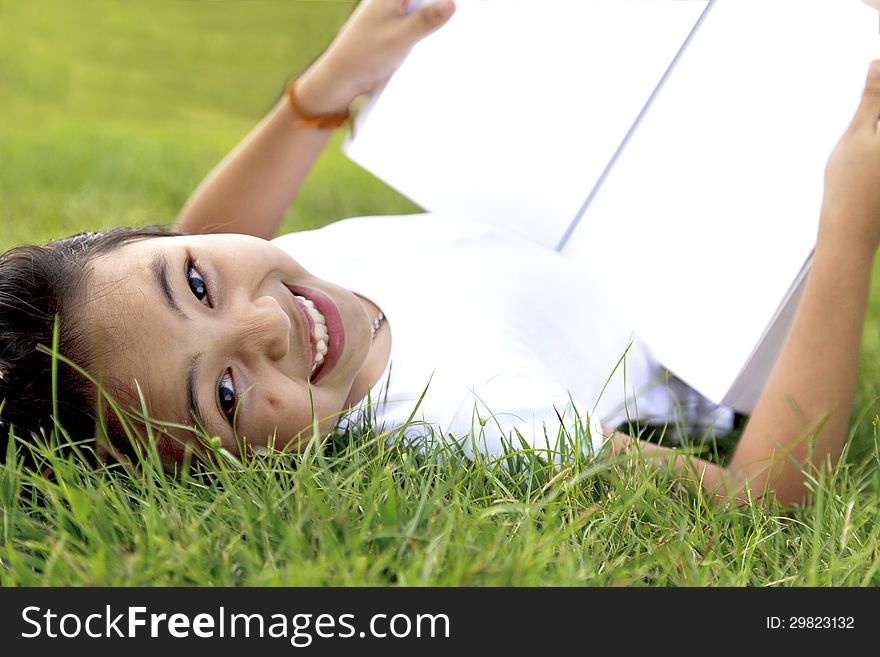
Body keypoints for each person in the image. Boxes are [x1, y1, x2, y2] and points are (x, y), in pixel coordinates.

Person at [0, 0, 878, 508]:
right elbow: (768, 496)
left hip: (574, 187)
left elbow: (206, 221)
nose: (263, 322)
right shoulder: (474, 414)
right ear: (223, 473)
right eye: (226, 395)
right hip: (694, 276)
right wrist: (846, 222)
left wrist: (324, 90)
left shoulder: (268, 282)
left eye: (194, 279)